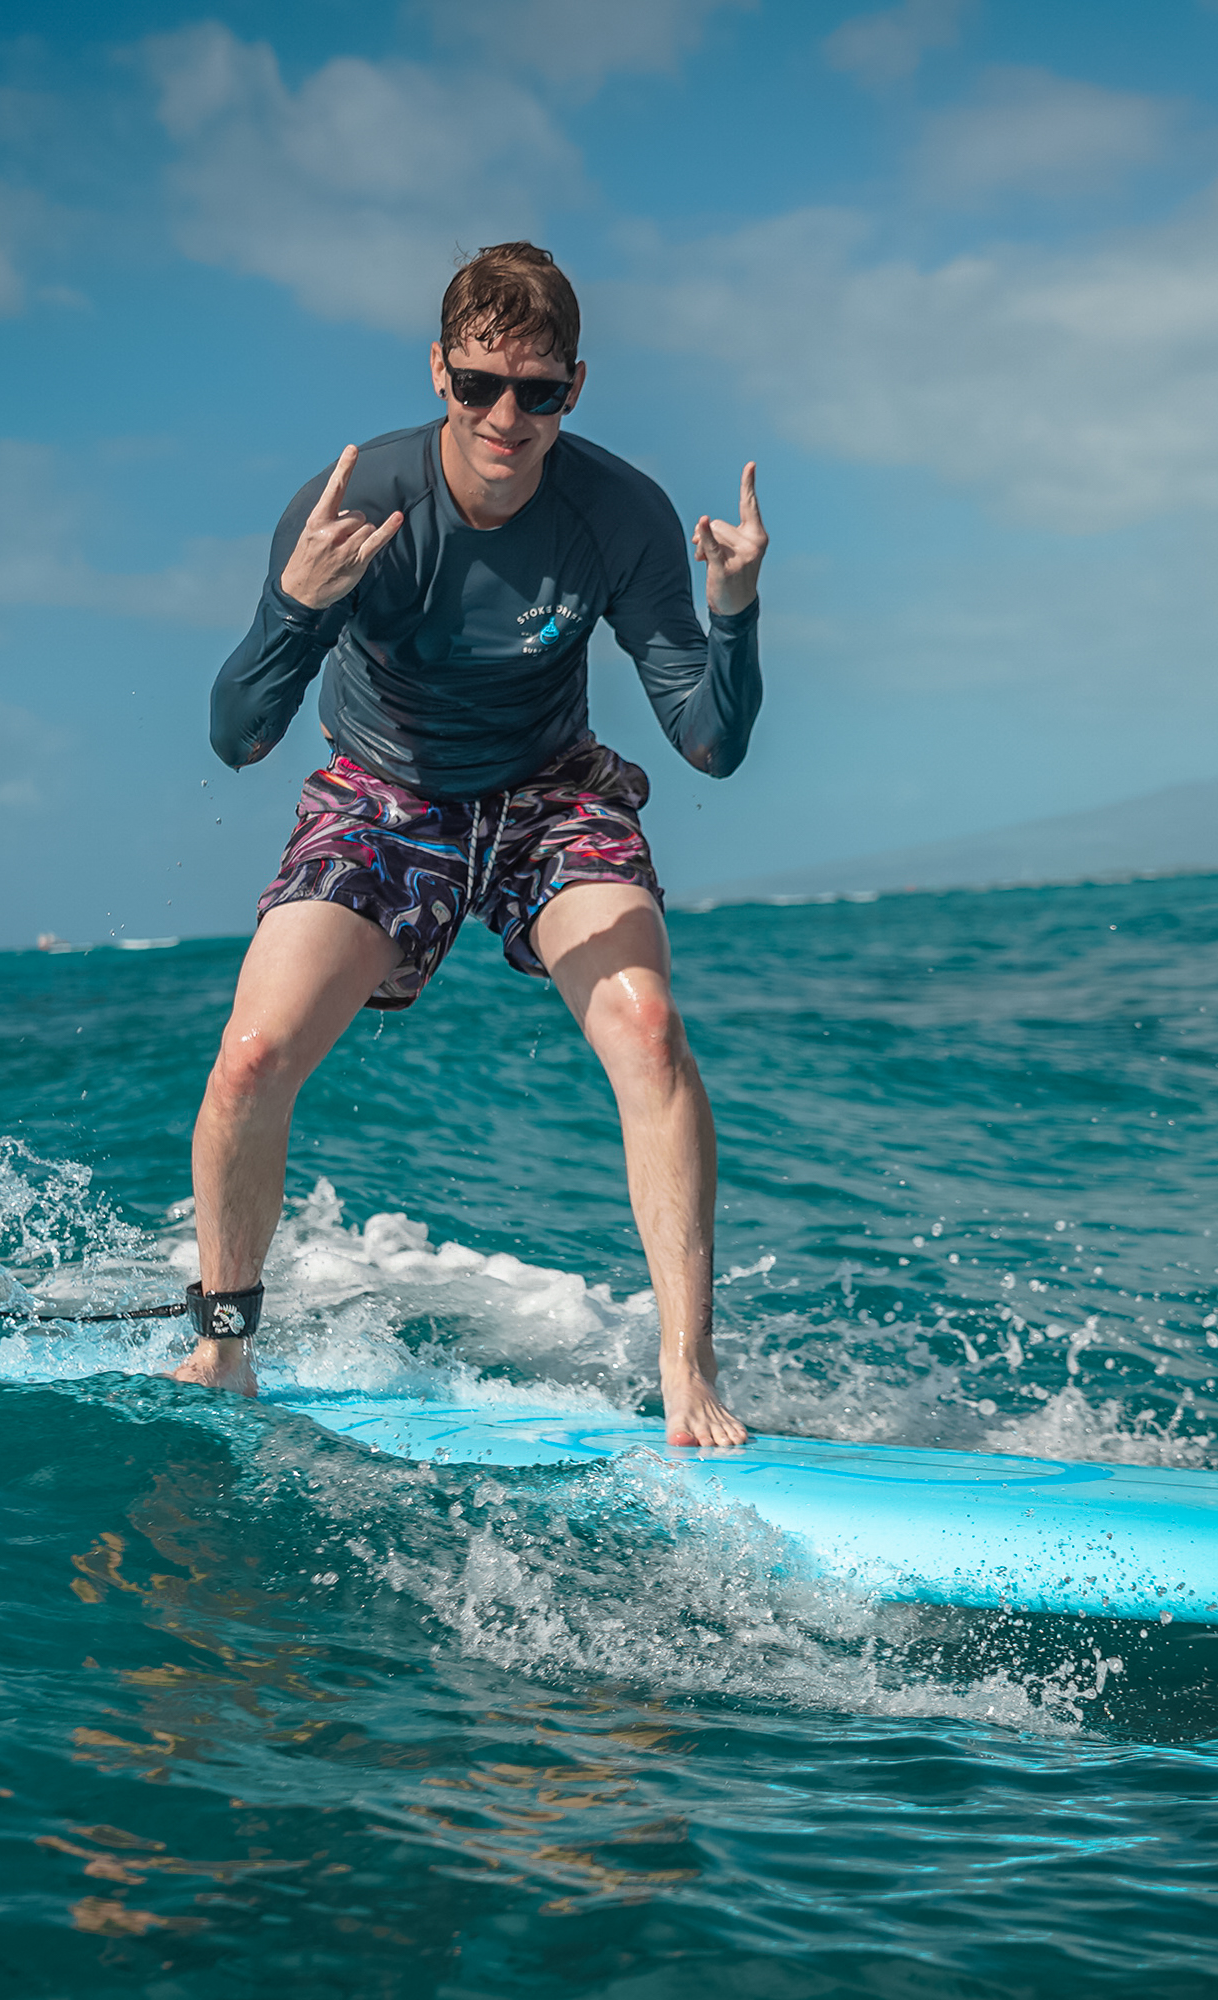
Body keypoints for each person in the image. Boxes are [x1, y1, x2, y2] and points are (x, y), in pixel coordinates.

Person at [171, 242, 767, 1448]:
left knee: (648, 1026)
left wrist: (733, 612)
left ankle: (687, 1370)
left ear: (574, 388)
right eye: (481, 384)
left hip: (550, 789)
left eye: (537, 391)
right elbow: (238, 737)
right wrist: (295, 605)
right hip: (384, 792)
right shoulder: (357, 498)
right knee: (247, 1055)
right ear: (438, 371)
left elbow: (708, 742)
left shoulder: (618, 513)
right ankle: (222, 1341)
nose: (507, 417)